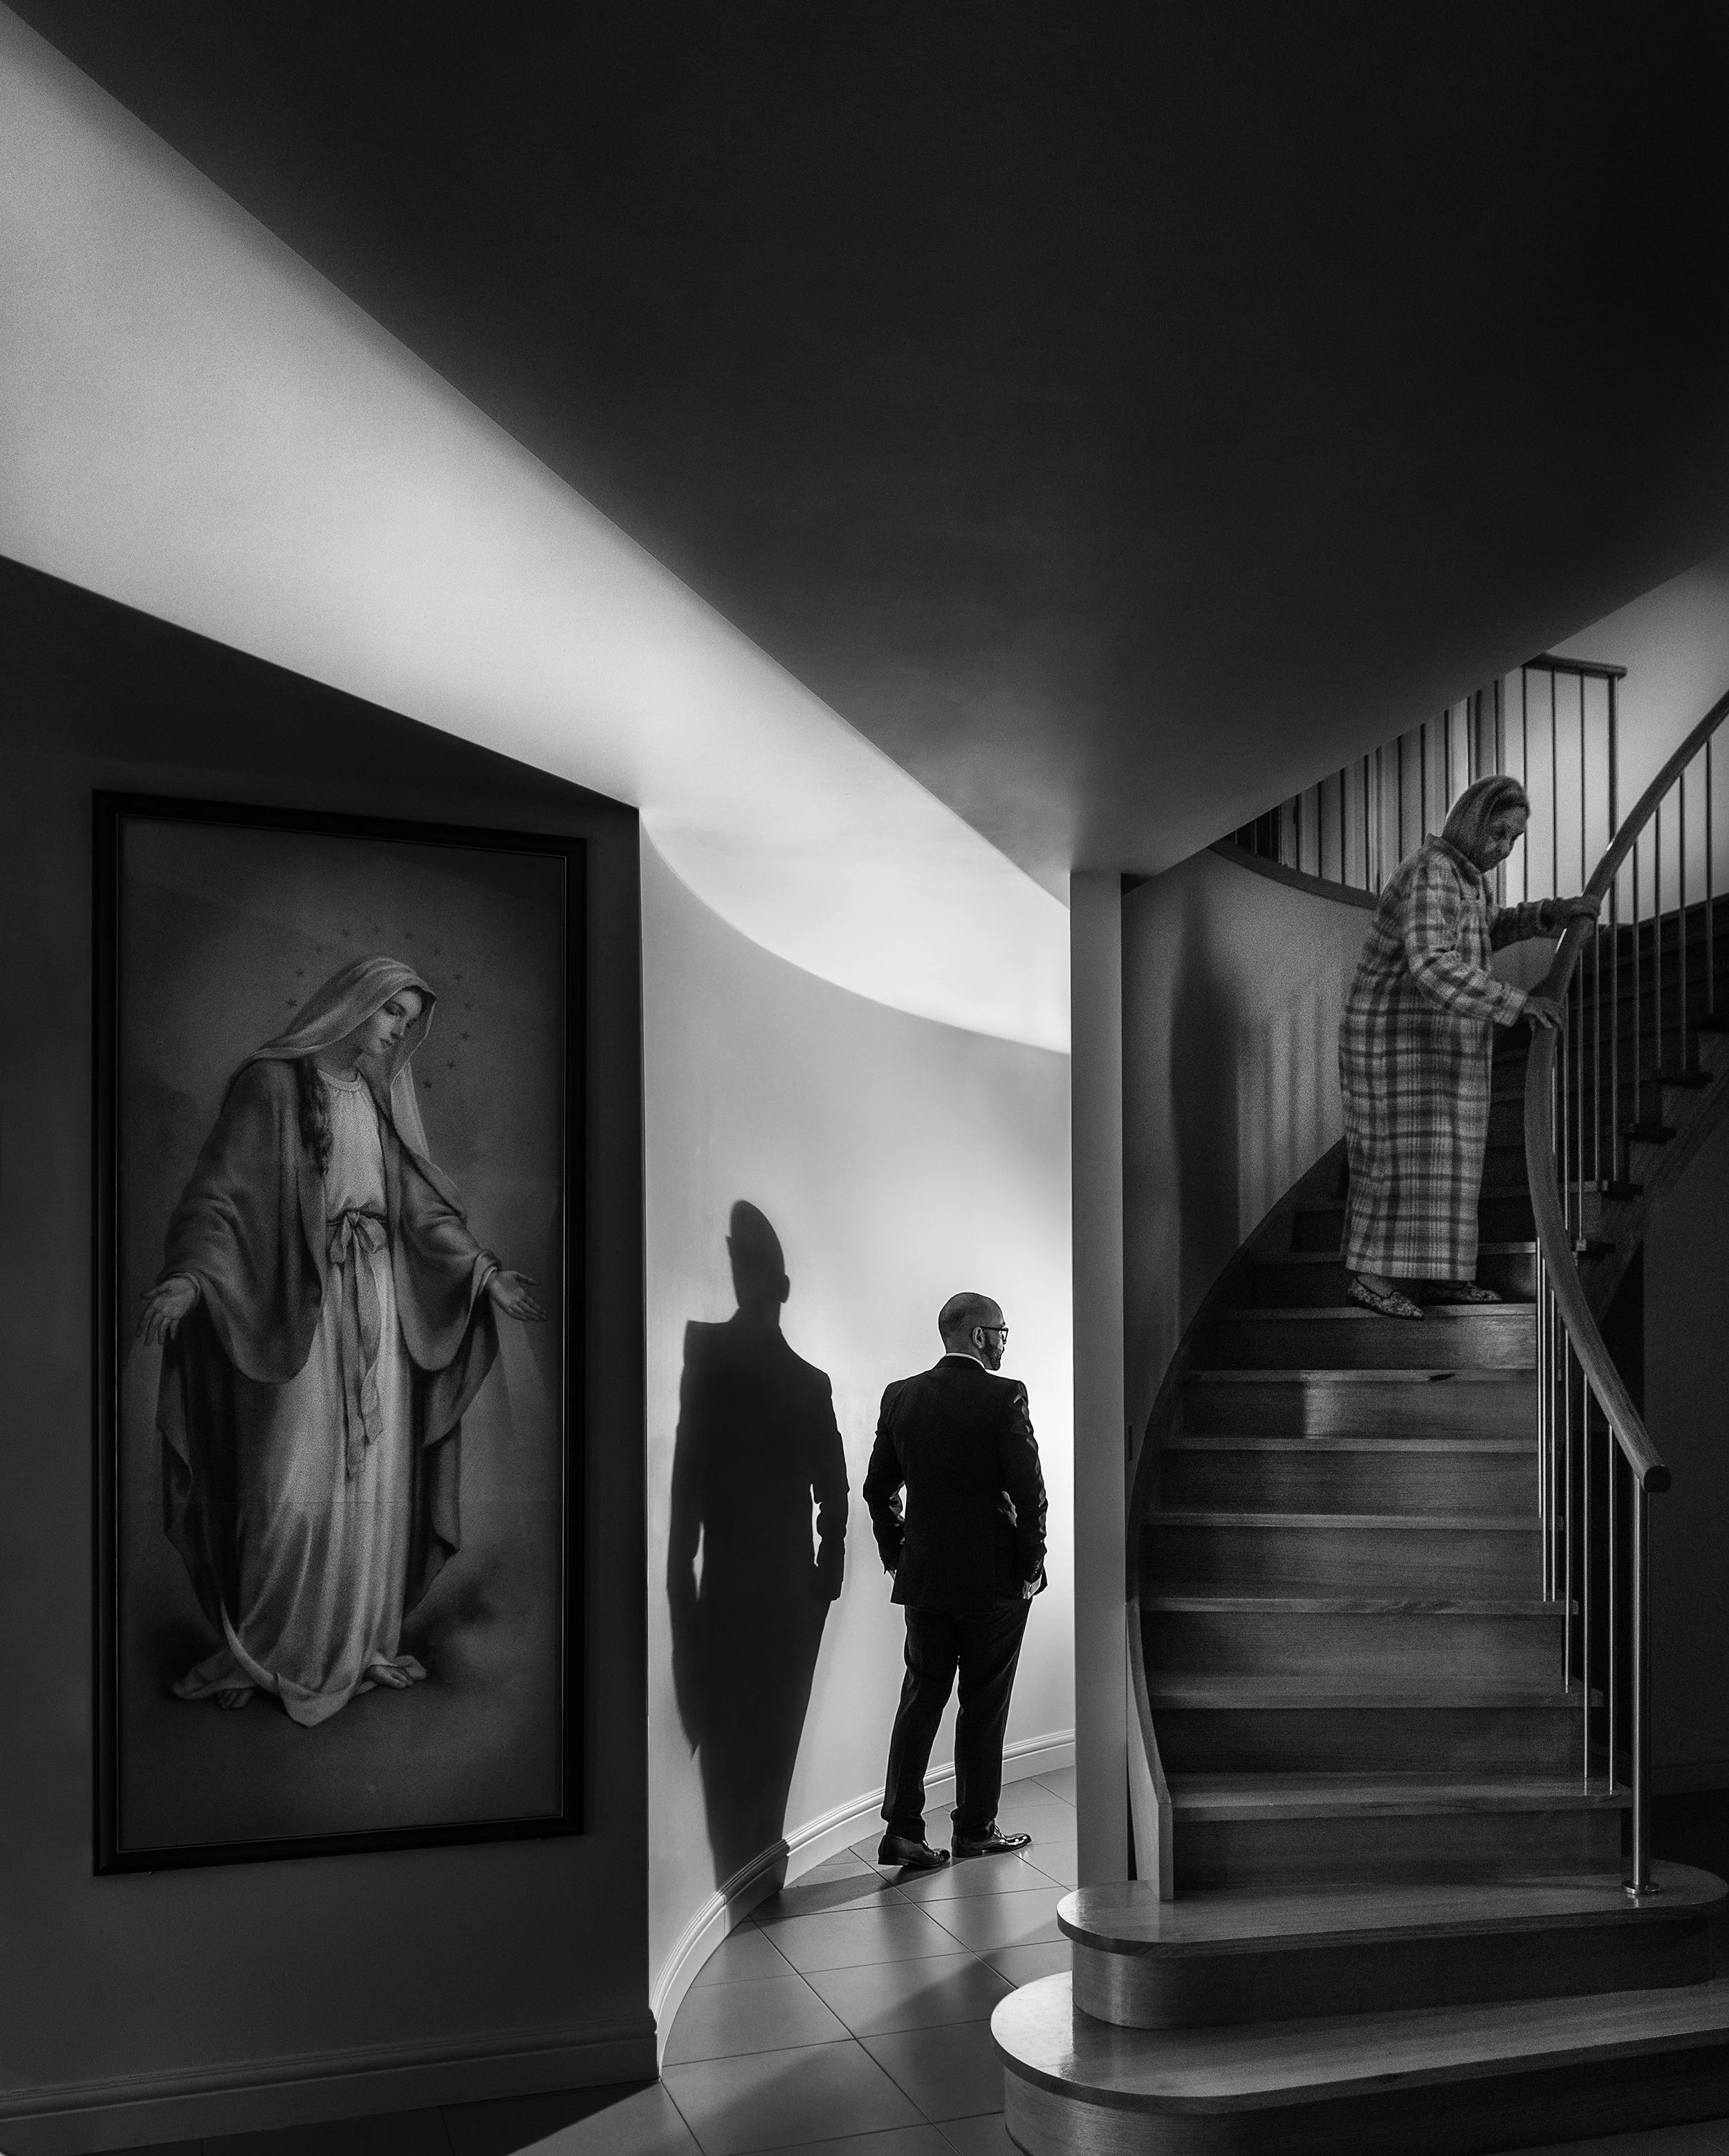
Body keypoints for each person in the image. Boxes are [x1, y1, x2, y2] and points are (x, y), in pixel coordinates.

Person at [136, 954, 546, 1726]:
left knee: (373, 1489)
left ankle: (355, 1646)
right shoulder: (270, 1087)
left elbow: (422, 1216)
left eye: (410, 1020)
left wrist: (486, 1275)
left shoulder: (380, 1100)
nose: (400, 1031)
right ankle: (264, 1649)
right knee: (286, 1486)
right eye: (393, 1012)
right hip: (301, 1309)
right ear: (355, 1005)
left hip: (381, 1310)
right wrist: (190, 1279)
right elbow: (221, 1199)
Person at [1340, 772, 1600, 1320]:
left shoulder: (1466, 880)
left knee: (1452, 1160)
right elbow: (1432, 963)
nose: (1503, 849)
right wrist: (1519, 1003)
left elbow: (1487, 929)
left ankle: (1442, 1276)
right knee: (1397, 1157)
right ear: (1471, 821)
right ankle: (1369, 1276)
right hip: (1396, 1041)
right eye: (1498, 834)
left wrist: (1546, 914)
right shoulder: (1433, 871)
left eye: (1514, 841)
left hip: (1441, 1040)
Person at [667, 1202, 849, 1886]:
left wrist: (822, 1587)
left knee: (745, 1755)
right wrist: (822, 1586)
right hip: (776, 1589)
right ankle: (751, 1876)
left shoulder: (712, 1355)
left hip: (741, 1587)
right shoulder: (801, 1381)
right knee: (765, 1749)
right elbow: (832, 1494)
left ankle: (744, 1877)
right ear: (782, 1286)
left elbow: (691, 1483)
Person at [864, 1291, 1047, 1870]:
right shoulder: (1004, 1395)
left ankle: (901, 1829)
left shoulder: (902, 1396)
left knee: (921, 1697)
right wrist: (1030, 1568)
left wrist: (898, 1552)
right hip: (993, 1582)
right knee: (983, 1704)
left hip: (925, 1579)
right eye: (1001, 1332)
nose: (1002, 1342)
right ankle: (975, 1828)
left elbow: (876, 1488)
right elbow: (1030, 1494)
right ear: (977, 1336)